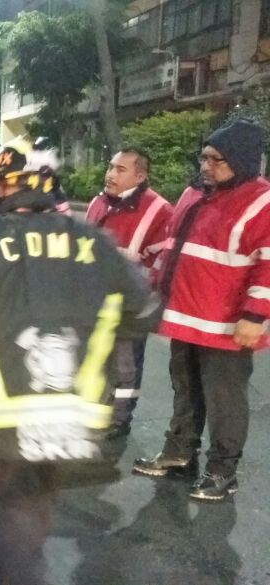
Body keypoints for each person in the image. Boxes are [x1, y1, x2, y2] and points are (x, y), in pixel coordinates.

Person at [0, 143, 154, 584]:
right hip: (70, 420)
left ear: (1, 190)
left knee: (10, 525)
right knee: (29, 513)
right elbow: (145, 312)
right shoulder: (94, 242)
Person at [133, 117, 270, 501]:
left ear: (241, 161)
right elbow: (173, 246)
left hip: (227, 324)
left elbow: (268, 264)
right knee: (185, 390)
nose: (205, 166)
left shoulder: (261, 201)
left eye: (216, 160)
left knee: (225, 401)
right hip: (186, 316)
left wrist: (255, 316)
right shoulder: (195, 194)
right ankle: (179, 456)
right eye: (204, 157)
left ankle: (223, 472)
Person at [85, 148, 173, 439]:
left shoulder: (159, 211)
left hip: (129, 307)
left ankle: (119, 420)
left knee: (125, 366)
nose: (110, 174)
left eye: (120, 170)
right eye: (110, 167)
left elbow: (160, 265)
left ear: (140, 175)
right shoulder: (99, 202)